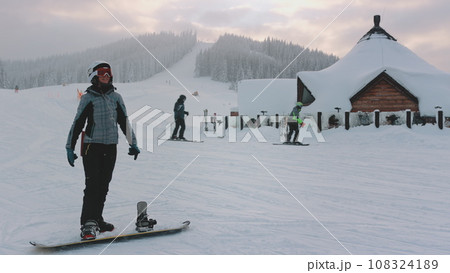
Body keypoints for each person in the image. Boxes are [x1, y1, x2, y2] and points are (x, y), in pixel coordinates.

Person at [66, 61, 140, 240]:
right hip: (92, 147)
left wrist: (133, 143)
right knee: (92, 185)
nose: (105, 76)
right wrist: (70, 146)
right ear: (94, 77)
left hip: (110, 147)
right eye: (101, 73)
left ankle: (97, 219)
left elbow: (124, 122)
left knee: (104, 185)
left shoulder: (116, 98)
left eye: (108, 73)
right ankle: (88, 224)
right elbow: (77, 124)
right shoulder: (88, 98)